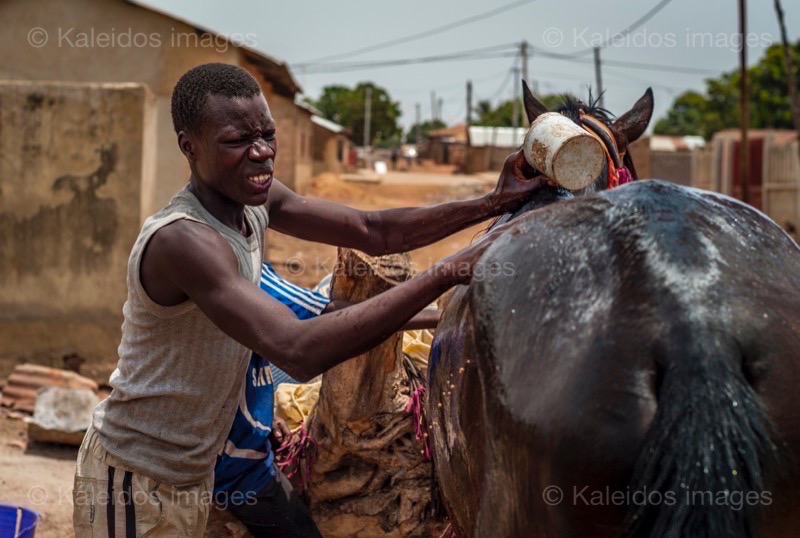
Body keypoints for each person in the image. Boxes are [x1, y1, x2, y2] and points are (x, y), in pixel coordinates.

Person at [72, 62, 544, 537]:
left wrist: (494, 202)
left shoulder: (252, 204)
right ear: (188, 146)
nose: (261, 153)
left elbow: (372, 230)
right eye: (237, 141)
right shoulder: (184, 241)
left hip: (193, 471)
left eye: (267, 135)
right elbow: (297, 350)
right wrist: (453, 269)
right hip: (138, 477)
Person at [214, 262, 437, 537]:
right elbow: (313, 332)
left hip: (241, 451)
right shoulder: (229, 263)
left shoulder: (242, 250)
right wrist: (435, 313)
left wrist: (263, 415)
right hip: (231, 467)